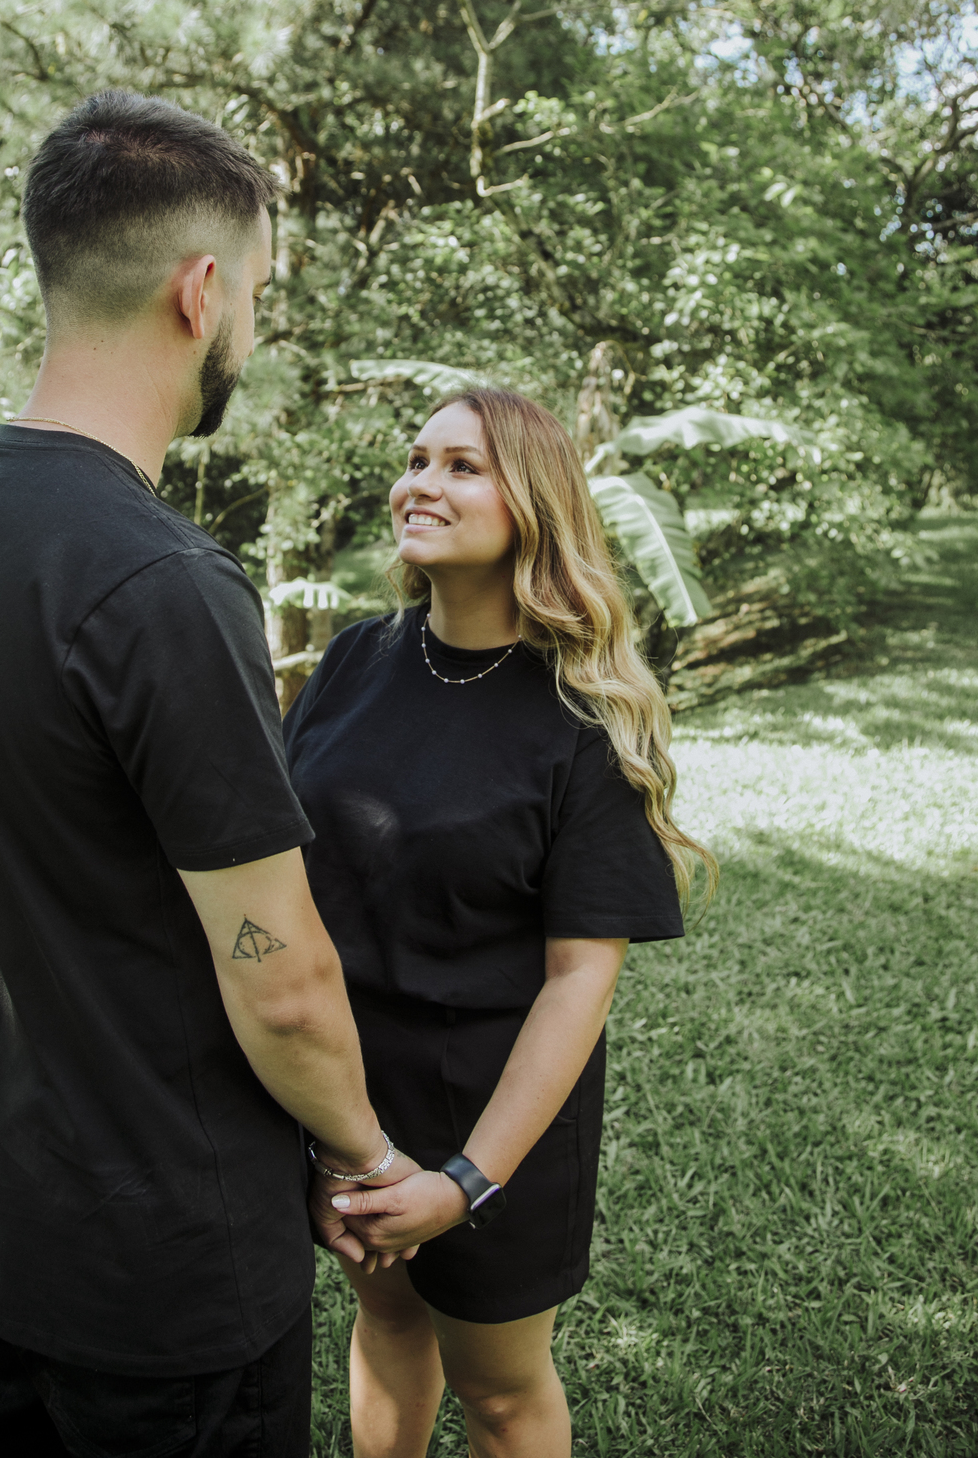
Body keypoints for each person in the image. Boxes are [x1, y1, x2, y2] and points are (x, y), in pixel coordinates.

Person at [0, 90, 414, 1458]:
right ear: (199, 292)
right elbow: (280, 977)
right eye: (259, 299)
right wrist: (364, 1155)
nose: (254, 333)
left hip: (8, 1231)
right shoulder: (162, 579)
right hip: (171, 1274)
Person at [283, 387, 715, 1458]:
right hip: (351, 1104)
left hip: (497, 1115)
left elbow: (580, 980)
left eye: (462, 466)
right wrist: (338, 1130)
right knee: (387, 1327)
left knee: (502, 1393)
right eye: (416, 459)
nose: (420, 483)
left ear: (533, 504)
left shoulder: (582, 715)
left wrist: (467, 1181)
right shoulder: (353, 661)